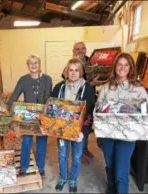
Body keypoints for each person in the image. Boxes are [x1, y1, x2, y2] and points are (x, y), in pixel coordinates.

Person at [96, 53, 148, 194]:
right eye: (119, 64)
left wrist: (144, 122)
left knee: (121, 172)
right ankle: (111, 189)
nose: (122, 68)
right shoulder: (106, 88)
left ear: (131, 68)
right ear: (115, 66)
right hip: (107, 136)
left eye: (126, 65)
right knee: (109, 165)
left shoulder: (138, 89)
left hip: (127, 137)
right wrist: (98, 133)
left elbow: (146, 113)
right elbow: (98, 112)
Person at [52, 58, 95, 193]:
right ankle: (63, 178)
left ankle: (72, 180)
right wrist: (51, 126)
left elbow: (89, 112)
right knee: (63, 155)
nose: (73, 73)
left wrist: (84, 131)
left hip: (78, 131)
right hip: (62, 130)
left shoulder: (87, 88)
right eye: (71, 70)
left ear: (81, 72)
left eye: (76, 70)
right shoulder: (59, 87)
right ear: (66, 71)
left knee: (76, 157)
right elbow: (52, 108)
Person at [7, 54, 52, 176]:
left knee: (41, 142)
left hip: (43, 116)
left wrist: (47, 115)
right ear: (28, 65)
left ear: (39, 64)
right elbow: (14, 96)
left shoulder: (47, 79)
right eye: (31, 63)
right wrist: (6, 108)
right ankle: (23, 167)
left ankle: (40, 166)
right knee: (26, 141)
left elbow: (49, 98)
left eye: (36, 62)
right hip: (28, 117)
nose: (33, 65)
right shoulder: (23, 79)